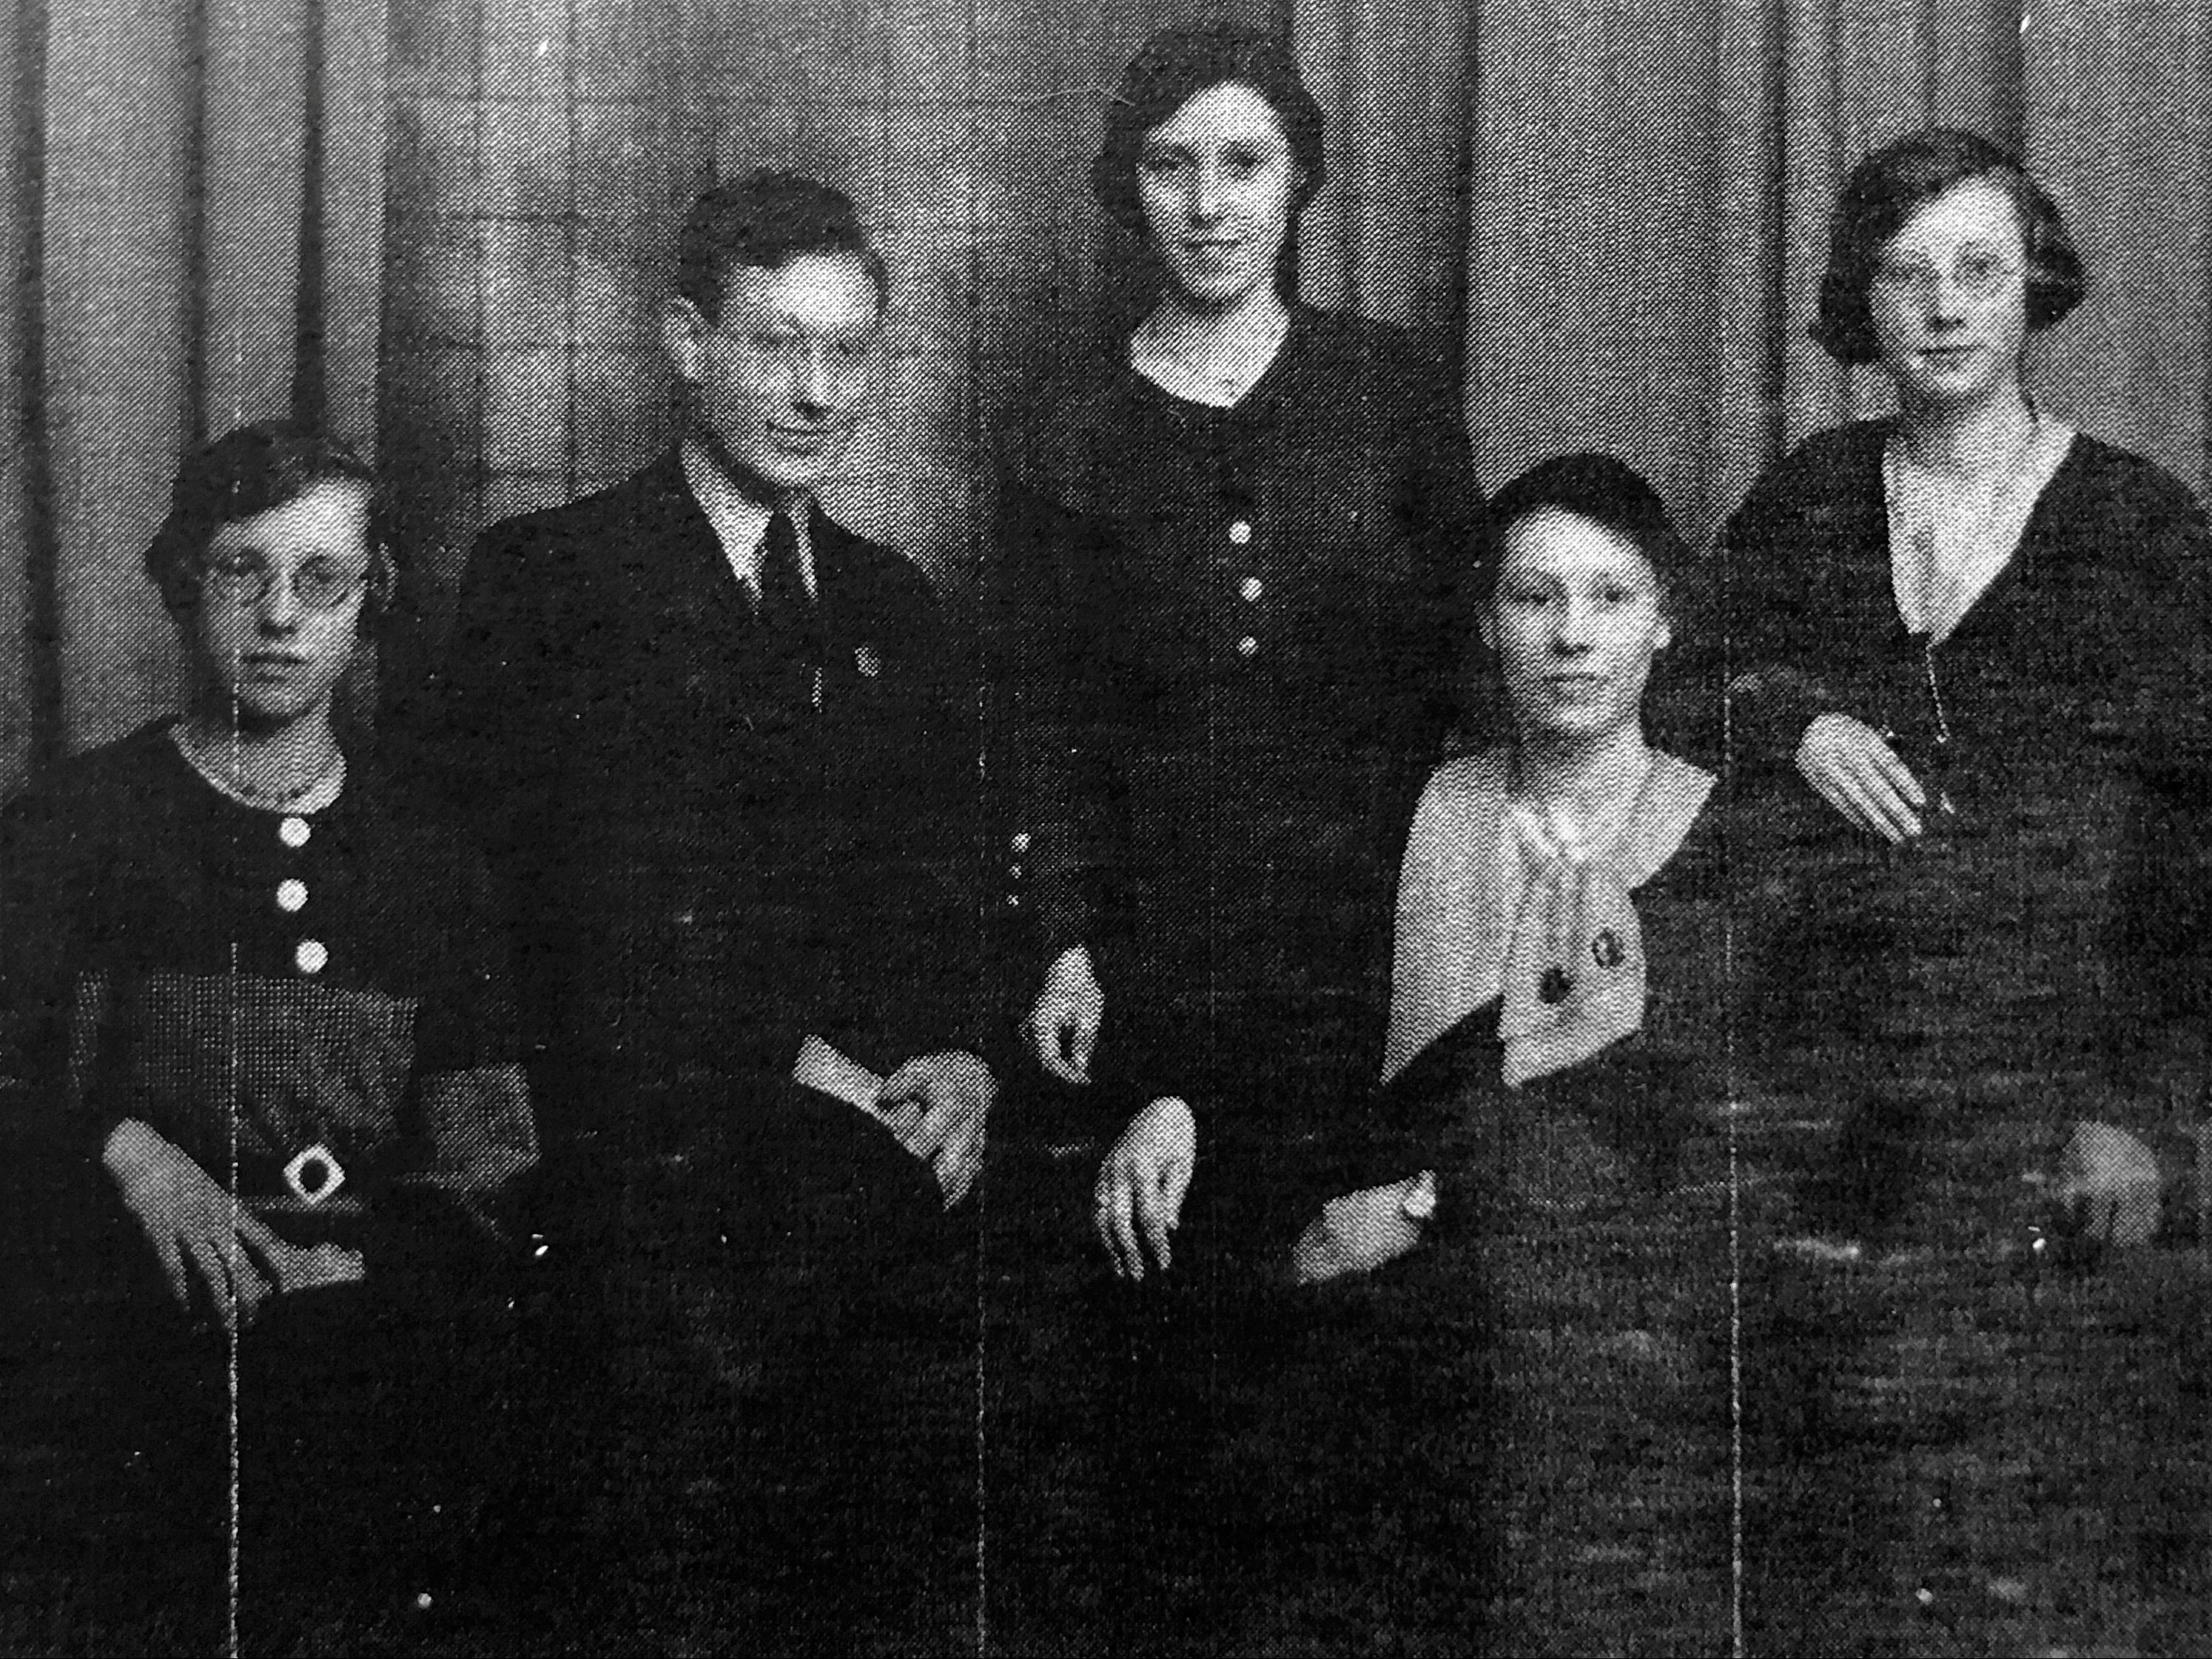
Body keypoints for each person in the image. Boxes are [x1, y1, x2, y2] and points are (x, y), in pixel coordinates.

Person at [407, 169, 990, 1645]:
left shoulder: (889, 603)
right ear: (683, 340)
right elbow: (530, 917)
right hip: (632, 1190)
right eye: (774, 343)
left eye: (846, 351)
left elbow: (938, 896)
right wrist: (802, 1064)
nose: (813, 390)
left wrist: (965, 1057)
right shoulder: (549, 579)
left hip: (859, 1191)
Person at [1720, 129, 2212, 1643]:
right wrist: (1788, 717)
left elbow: (2197, 849)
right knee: (1835, 1529)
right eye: (1904, 272)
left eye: (1979, 270)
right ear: (1858, 303)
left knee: (2032, 1532)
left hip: (2053, 1101)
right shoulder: (1806, 498)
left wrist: (2136, 1097)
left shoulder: (2137, 526)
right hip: (1826, 1100)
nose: (1942, 307)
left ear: (2036, 288)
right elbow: (1664, 674)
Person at [0, 420, 539, 1648]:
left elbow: (489, 1158)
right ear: (186, 585)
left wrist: (363, 1267)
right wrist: (127, 1150)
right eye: (242, 571)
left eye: (321, 579)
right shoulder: (75, 826)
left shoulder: (431, 860)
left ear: (371, 600)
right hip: (121, 1375)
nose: (281, 617)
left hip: (368, 1379)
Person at [995, 17, 1482, 1279]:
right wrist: (1065, 937)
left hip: (1389, 928)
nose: (1208, 206)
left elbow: (1467, 667)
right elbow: (1044, 715)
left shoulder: (1392, 389)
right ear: (1127, 184)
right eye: (1170, 165)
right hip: (1163, 947)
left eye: (1244, 164)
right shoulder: (1067, 421)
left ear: (1300, 177)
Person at [1232, 454, 1732, 1651]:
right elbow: (1309, 1059)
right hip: (1402, 1334)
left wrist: (1419, 1205)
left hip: (1604, 1326)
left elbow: (1677, 1146)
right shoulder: (1417, 810)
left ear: (1663, 623)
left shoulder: (1714, 832)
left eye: (1610, 599)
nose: (1571, 636)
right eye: (1534, 598)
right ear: (1485, 623)